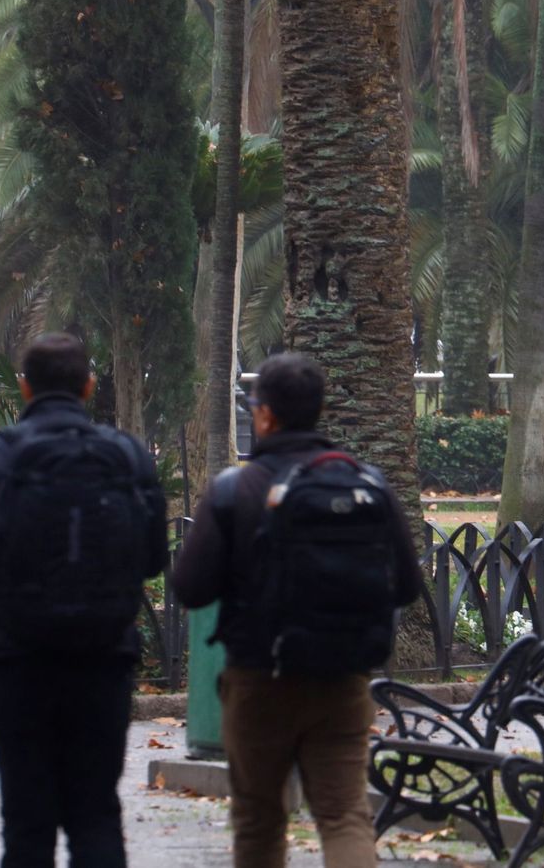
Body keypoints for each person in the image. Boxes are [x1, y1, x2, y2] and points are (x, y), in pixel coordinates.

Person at [0, 333, 167, 868]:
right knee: (96, 814)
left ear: (24, 388)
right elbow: (153, 560)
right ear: (89, 387)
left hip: (15, 662)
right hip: (104, 660)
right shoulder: (127, 457)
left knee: (27, 824)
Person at [171, 352, 423, 868]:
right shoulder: (368, 485)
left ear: (263, 414)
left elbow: (191, 590)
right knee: (344, 814)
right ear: (319, 408)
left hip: (259, 680)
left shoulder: (234, 489)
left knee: (260, 820)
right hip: (344, 680)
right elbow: (407, 587)